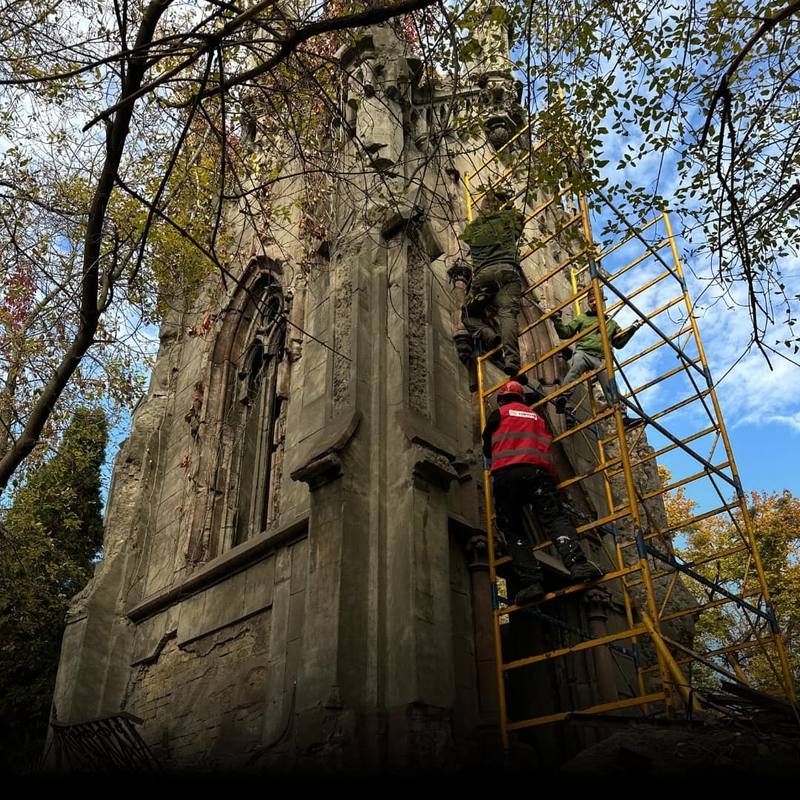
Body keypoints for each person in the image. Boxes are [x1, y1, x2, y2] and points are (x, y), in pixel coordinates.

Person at [483, 380, 604, 605]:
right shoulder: (536, 417)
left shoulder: (498, 414)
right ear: (521, 398)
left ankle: (531, 582)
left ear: (501, 398)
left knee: (512, 528)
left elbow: (487, 446)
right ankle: (578, 565)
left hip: (507, 475)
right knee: (554, 518)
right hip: (538, 473)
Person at [460, 188, 527, 383]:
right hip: (507, 272)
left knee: (467, 314)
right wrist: (508, 206)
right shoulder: (508, 219)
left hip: (483, 276)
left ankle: (489, 336)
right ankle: (513, 361)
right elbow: (520, 221)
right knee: (508, 314)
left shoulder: (473, 228)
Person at [549, 291, 643, 427]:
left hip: (602, 357)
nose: (593, 303)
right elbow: (566, 333)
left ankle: (622, 417)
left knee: (611, 386)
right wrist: (556, 319)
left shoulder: (611, 323)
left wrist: (631, 330)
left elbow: (619, 344)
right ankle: (563, 397)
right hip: (584, 352)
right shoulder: (582, 318)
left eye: (595, 300)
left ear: (602, 301)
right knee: (575, 369)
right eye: (591, 301)